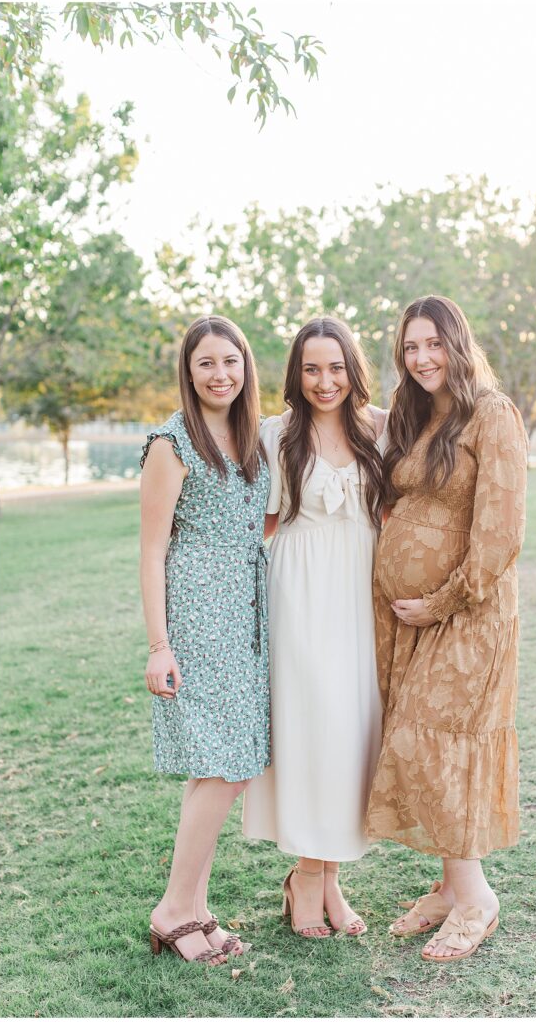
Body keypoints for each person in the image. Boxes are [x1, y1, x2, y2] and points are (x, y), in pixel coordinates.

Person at [365, 295, 528, 963]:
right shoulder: (418, 417)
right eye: (409, 347)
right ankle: (446, 885)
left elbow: (500, 532)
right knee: (422, 742)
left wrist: (440, 601)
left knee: (431, 742)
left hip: (469, 613)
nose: (422, 357)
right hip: (411, 619)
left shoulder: (491, 414)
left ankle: (476, 899)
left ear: (456, 345)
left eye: (433, 343)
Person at [243, 316, 386, 938]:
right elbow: (264, 524)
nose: (324, 381)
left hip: (360, 590)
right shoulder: (276, 435)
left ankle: (328, 880)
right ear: (295, 375)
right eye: (311, 368)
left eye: (336, 367)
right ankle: (308, 875)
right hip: (300, 592)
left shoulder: (380, 427)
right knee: (312, 729)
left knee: (350, 732)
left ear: (352, 369)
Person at [140, 314, 270, 965]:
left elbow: (261, 523)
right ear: (188, 373)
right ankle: (172, 909)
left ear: (245, 367)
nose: (220, 374)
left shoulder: (252, 438)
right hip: (198, 621)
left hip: (249, 620)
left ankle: (192, 909)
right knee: (224, 768)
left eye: (230, 361)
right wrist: (159, 645)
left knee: (223, 771)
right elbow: (150, 551)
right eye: (205, 363)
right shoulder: (172, 443)